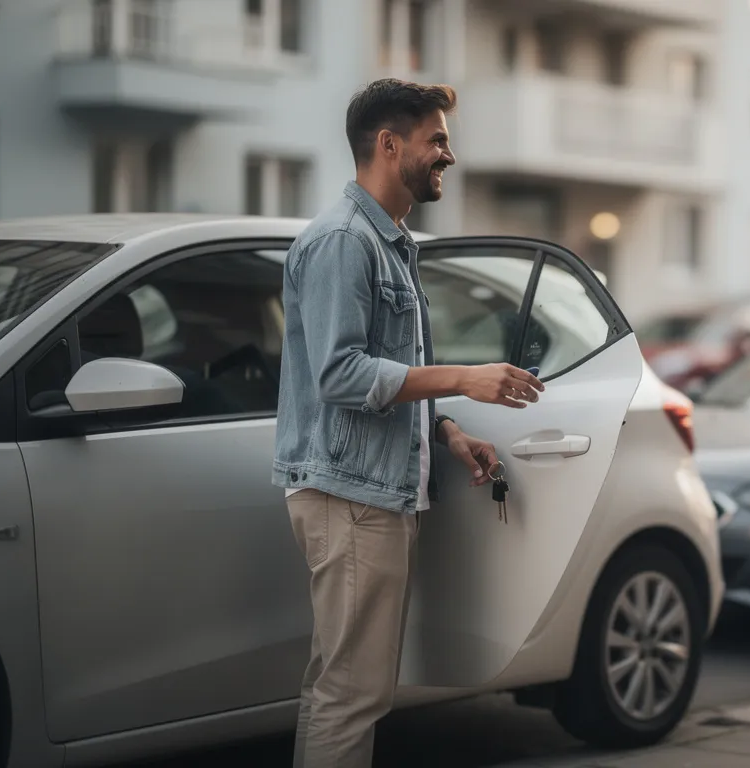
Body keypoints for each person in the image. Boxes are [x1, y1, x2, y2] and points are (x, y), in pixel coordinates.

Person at [272, 78, 545, 768]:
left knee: (342, 687)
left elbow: (389, 371)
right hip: (351, 498)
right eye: (438, 141)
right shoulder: (343, 242)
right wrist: (462, 376)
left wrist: (445, 428)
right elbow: (339, 375)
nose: (448, 156)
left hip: (369, 492)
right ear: (390, 145)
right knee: (352, 692)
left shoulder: (389, 241)